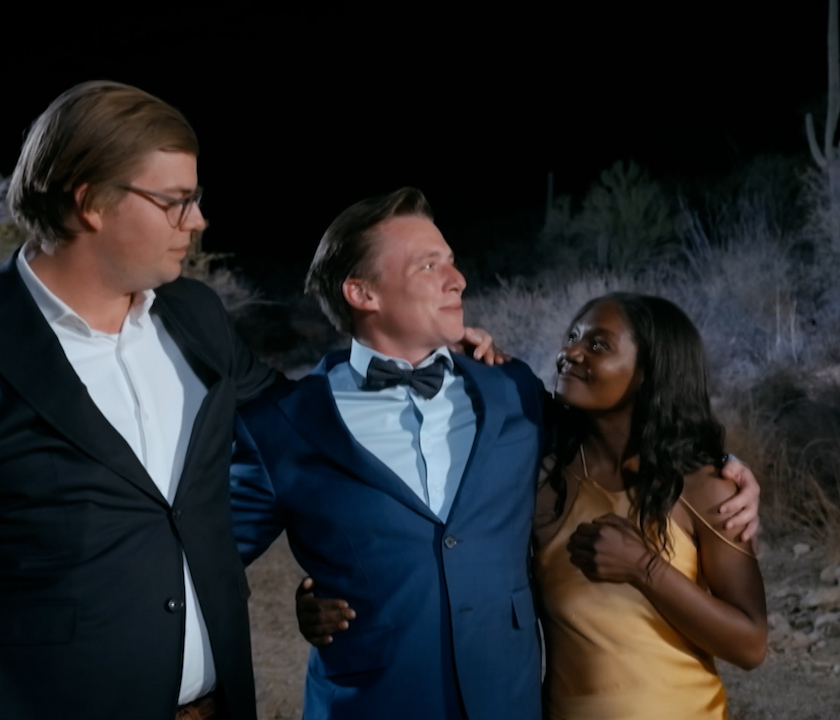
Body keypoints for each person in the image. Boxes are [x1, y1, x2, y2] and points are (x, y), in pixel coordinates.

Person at [229, 188, 761, 720]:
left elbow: (623, 431)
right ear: (362, 293)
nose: (457, 279)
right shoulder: (284, 427)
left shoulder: (512, 393)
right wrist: (308, 604)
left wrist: (727, 468)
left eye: (451, 261)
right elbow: (209, 561)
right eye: (428, 265)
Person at [0, 81, 278, 719]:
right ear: (91, 202)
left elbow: (292, 422)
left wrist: (420, 351)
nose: (197, 222)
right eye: (175, 202)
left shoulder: (197, 313)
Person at [534, 292, 767, 719]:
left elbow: (750, 645)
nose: (571, 353)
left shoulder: (704, 489)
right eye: (572, 338)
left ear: (649, 372)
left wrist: (645, 568)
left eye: (597, 344)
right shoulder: (544, 484)